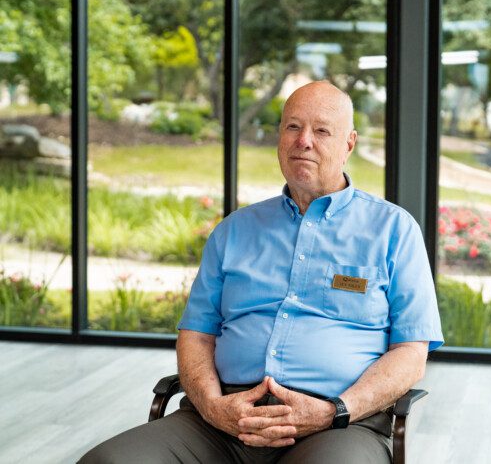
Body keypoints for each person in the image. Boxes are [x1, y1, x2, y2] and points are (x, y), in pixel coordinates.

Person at [80, 80, 443, 463]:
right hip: (221, 421)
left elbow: (411, 352)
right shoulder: (233, 231)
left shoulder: (393, 231)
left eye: (321, 131)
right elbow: (196, 335)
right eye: (292, 127)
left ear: (348, 144)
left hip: (337, 425)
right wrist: (212, 406)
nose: (304, 140)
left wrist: (336, 409)